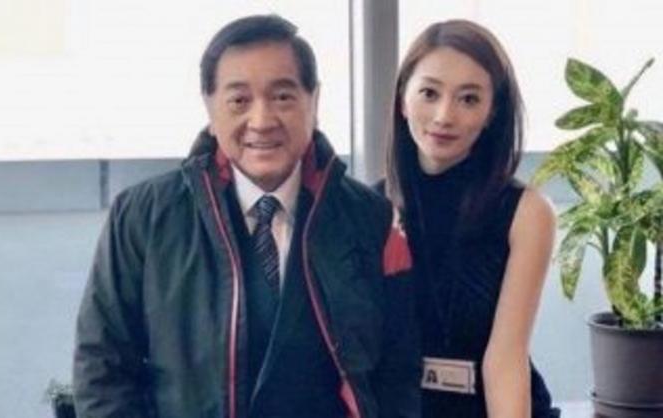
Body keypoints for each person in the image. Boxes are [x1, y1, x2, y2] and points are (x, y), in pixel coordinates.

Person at [73, 14, 420, 418]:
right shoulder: (142, 218)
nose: (262, 121)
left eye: (283, 97)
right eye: (239, 100)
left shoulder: (370, 220)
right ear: (209, 106)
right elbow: (104, 371)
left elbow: (397, 374)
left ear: (314, 101)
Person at [382, 19, 559, 417]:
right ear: (403, 100)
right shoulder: (370, 208)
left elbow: (505, 359)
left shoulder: (527, 213)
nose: (444, 116)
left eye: (469, 99)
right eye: (429, 93)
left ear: (492, 111)